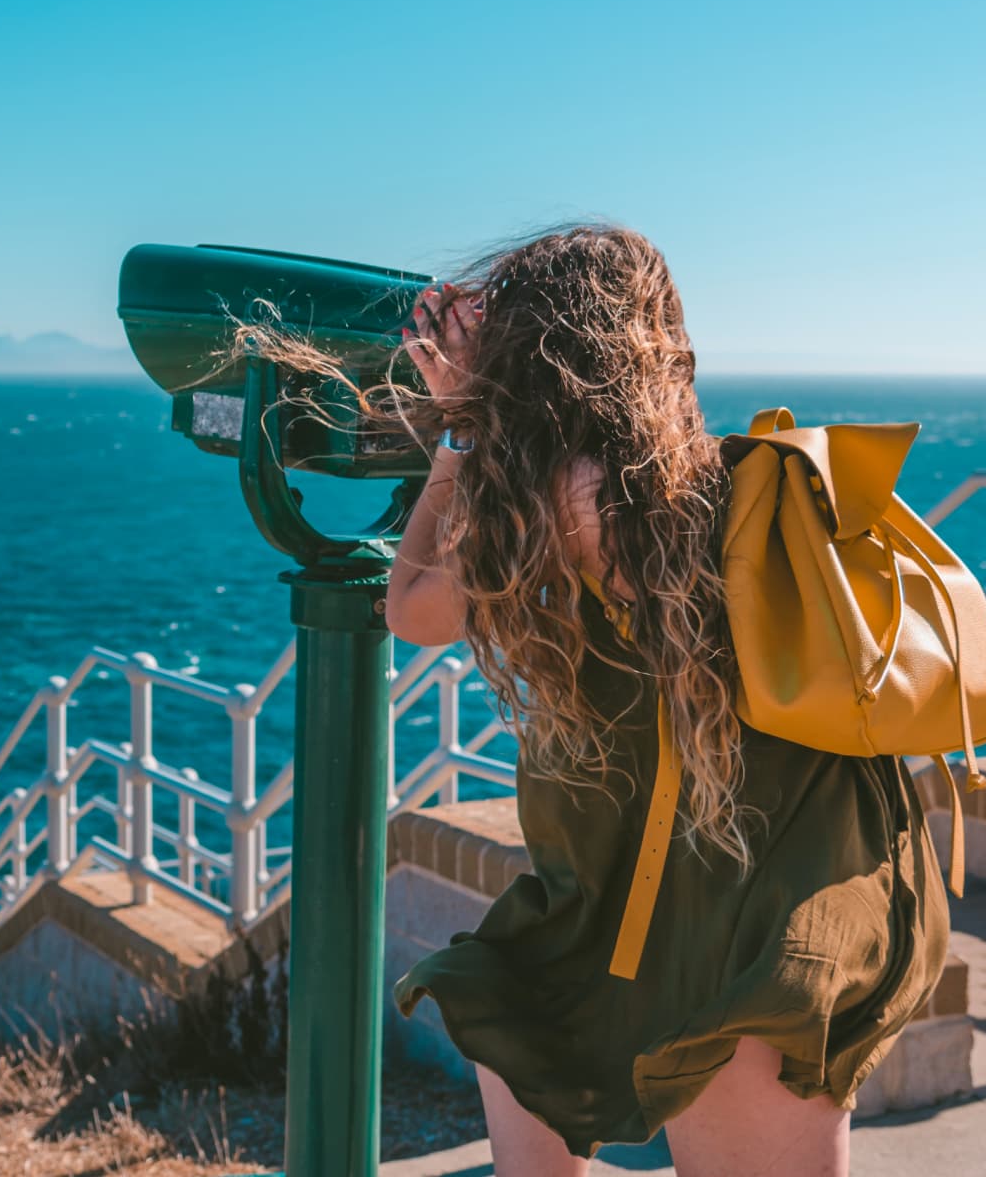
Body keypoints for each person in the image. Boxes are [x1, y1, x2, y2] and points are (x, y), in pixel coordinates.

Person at [383, 225, 946, 1176]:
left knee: (517, 1006)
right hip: (801, 877)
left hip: (707, 916)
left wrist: (463, 428)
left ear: (538, 360)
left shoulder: (561, 500)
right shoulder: (738, 486)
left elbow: (413, 608)